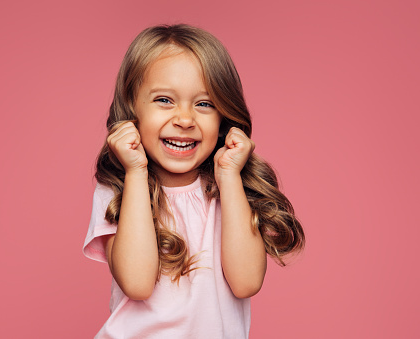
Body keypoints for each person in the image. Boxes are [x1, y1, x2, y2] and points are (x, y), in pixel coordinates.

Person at [83, 24, 305, 338]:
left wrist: (228, 177)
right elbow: (137, 283)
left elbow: (246, 283)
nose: (185, 120)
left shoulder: (231, 189)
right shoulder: (119, 186)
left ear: (223, 116)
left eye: (204, 104)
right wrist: (135, 172)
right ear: (132, 109)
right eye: (164, 100)